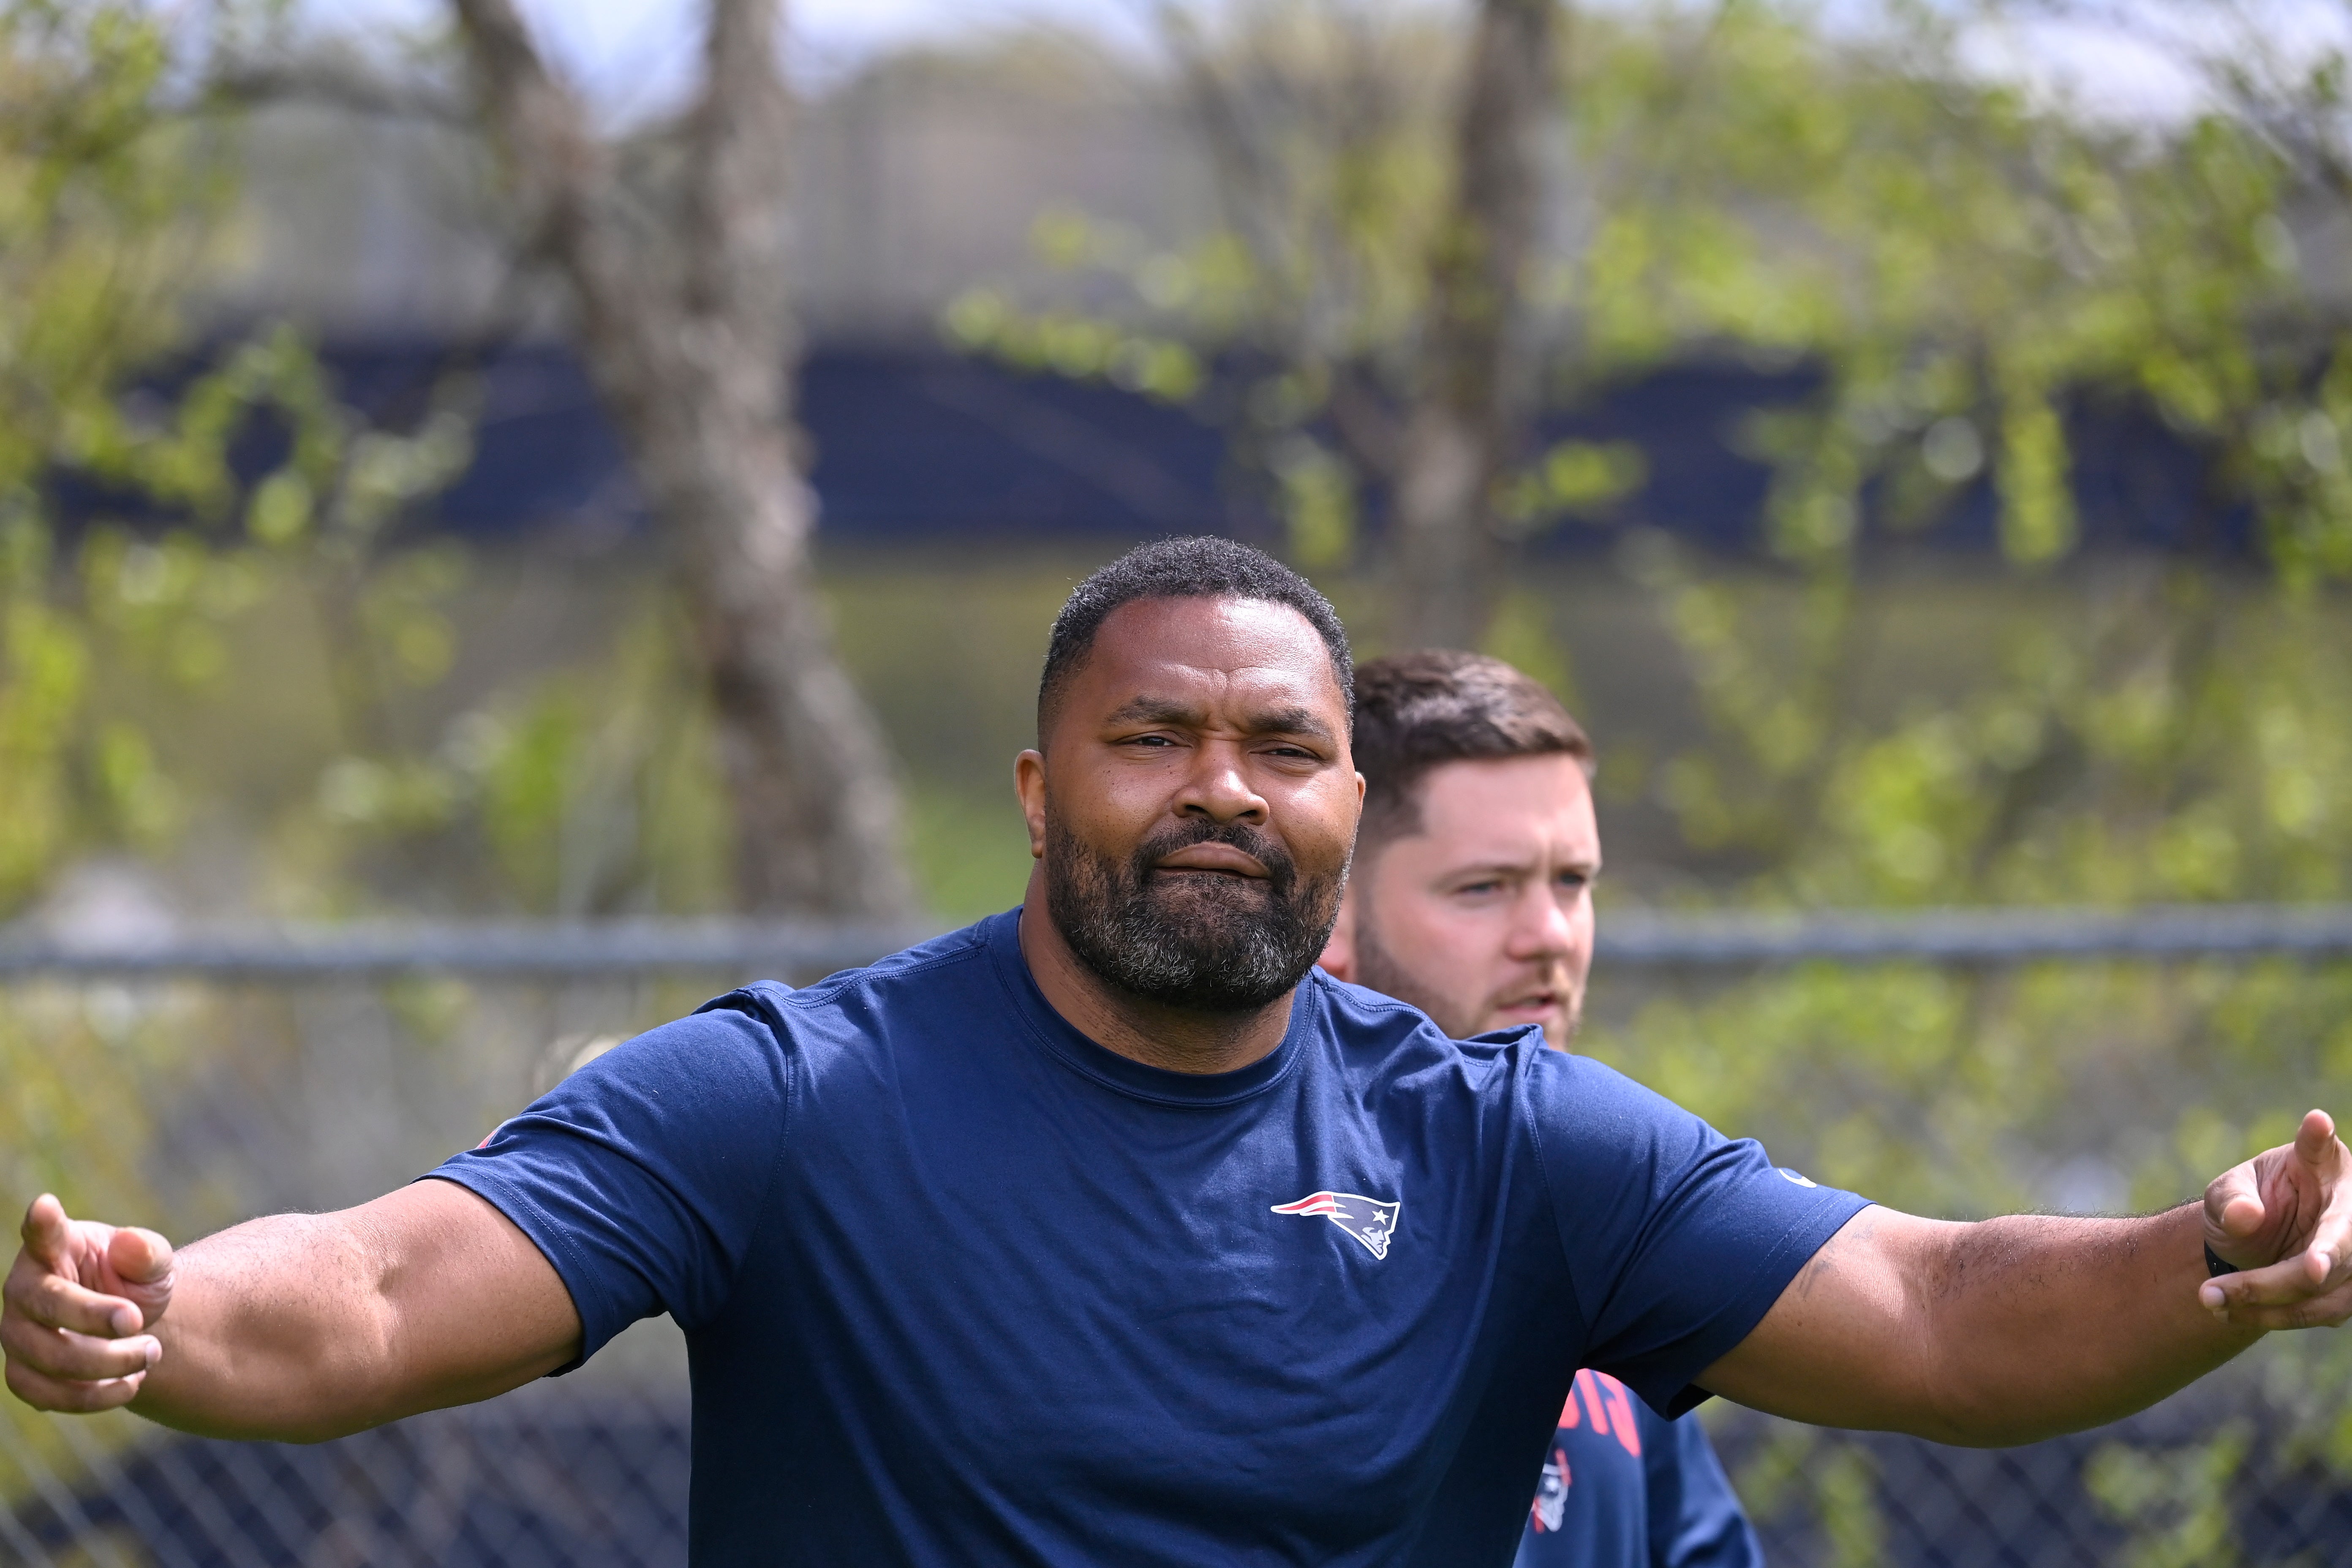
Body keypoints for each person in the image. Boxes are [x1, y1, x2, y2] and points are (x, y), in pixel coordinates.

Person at [5, 537, 2349, 1568]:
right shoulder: (795, 1101)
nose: (1221, 784)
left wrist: (2203, 1258)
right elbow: (398, 1285)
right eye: (1151, 737)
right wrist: (159, 1314)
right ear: (1040, 793)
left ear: (1348, 797)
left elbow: (1939, 1312)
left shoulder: (1512, 1152)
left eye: (1281, 742)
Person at [1318, 649, 1759, 1568]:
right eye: (1484, 887)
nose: (1552, 937)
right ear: (1332, 918)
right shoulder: (1253, 1231)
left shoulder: (1602, 1209)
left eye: (1573, 882)